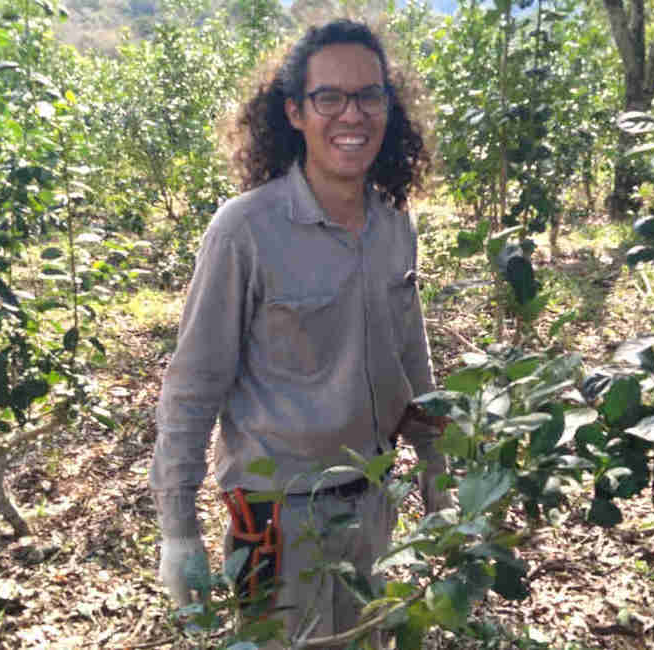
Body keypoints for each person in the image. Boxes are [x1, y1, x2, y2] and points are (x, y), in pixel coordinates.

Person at [149, 18, 451, 647]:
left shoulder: (395, 226)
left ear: (389, 109)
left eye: (370, 95)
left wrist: (436, 473)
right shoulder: (246, 231)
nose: (353, 114)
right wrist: (178, 529)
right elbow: (193, 385)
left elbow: (412, 363)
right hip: (275, 518)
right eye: (329, 97)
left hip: (373, 501)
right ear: (293, 111)